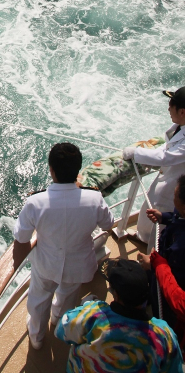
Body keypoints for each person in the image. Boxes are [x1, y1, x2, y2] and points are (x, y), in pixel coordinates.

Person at [13, 142, 114, 350]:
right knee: (68, 297)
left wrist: (16, 265)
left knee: (39, 302)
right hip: (79, 264)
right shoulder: (94, 198)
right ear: (78, 171)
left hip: (46, 265)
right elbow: (108, 224)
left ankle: (37, 337)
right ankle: (58, 321)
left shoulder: (35, 202)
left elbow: (22, 239)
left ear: (51, 170)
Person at [55, 257, 183, 373]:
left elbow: (60, 330)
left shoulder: (94, 315)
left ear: (116, 295)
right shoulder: (164, 335)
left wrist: (86, 306)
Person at [123, 87, 185, 245]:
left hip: (174, 188)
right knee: (150, 209)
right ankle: (142, 237)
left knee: (161, 224)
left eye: (171, 105)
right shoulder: (179, 127)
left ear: (182, 112)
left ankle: (153, 254)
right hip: (167, 179)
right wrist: (148, 158)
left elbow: (167, 157)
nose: (168, 108)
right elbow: (167, 147)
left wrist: (135, 153)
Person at [137, 175, 185, 340]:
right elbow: (178, 217)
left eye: (175, 197)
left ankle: (162, 333)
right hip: (163, 263)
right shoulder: (182, 214)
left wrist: (153, 265)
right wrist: (164, 217)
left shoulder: (181, 247)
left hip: (169, 289)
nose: (173, 199)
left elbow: (173, 284)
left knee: (164, 312)